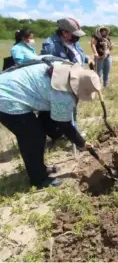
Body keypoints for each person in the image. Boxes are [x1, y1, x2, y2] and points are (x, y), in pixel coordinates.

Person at [0, 61, 100, 189]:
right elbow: (65, 125)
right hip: (6, 98)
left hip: (7, 84)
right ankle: (39, 179)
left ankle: (40, 168)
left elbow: (49, 118)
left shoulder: (63, 67)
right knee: (33, 137)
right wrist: (82, 143)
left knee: (37, 133)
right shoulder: (63, 96)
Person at [40, 18, 92, 131]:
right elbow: (46, 65)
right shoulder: (50, 44)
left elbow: (78, 55)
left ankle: (71, 130)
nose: (77, 37)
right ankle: (68, 132)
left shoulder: (74, 42)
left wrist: (87, 59)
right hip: (61, 84)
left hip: (75, 80)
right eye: (74, 34)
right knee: (64, 108)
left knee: (73, 107)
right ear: (64, 32)